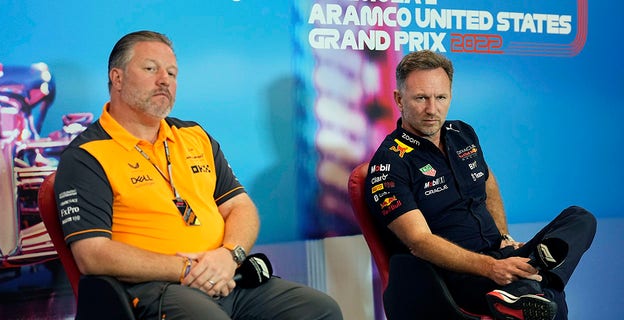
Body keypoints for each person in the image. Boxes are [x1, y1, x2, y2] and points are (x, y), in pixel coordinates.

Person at [54, 30, 343, 320]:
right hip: (157, 288)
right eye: (150, 68)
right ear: (117, 78)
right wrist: (188, 270)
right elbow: (92, 254)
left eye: (171, 72)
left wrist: (230, 256)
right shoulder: (87, 155)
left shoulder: (194, 136)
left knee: (321, 310)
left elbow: (240, 207)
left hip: (228, 278)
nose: (164, 80)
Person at [364, 50, 596, 320]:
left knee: (580, 218)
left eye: (440, 97)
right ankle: (532, 288)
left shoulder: (462, 133)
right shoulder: (389, 163)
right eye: (420, 98)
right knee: (547, 303)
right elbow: (419, 242)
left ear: (450, 95)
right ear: (399, 99)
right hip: (455, 278)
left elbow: (487, 182)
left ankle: (530, 284)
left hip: (499, 256)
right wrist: (490, 268)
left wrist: (503, 238)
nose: (432, 109)